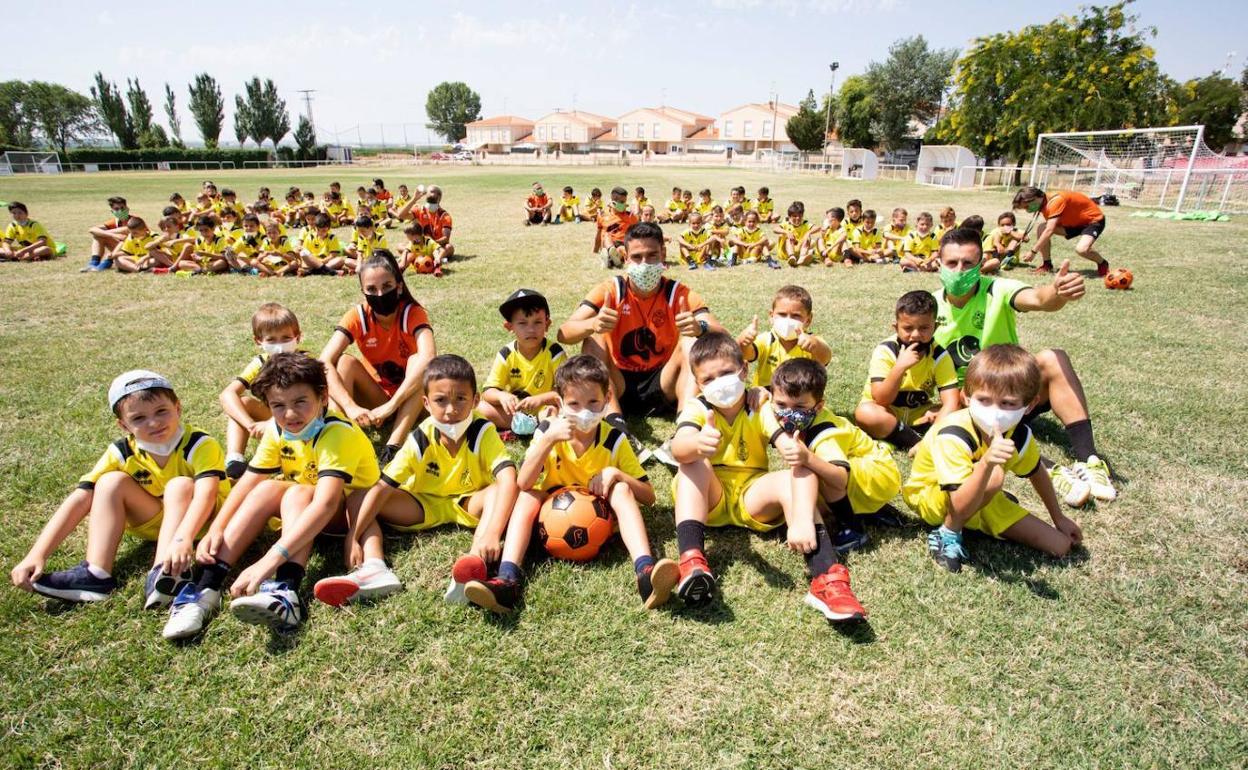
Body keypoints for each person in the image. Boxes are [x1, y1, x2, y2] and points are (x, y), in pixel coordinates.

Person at [668, 332, 867, 622]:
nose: (719, 383)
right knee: (692, 463)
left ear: (744, 370)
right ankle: (692, 561)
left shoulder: (760, 406)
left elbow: (789, 449)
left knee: (797, 468)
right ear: (698, 384)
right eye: (708, 379)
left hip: (752, 495)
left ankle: (828, 579)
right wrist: (697, 444)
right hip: (709, 496)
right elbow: (678, 446)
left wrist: (801, 516)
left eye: (726, 373)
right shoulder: (698, 407)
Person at [180, 354, 380, 638]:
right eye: (278, 406)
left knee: (297, 493)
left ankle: (286, 590)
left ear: (323, 397)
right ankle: (206, 587)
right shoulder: (278, 430)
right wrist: (217, 528)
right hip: (306, 509)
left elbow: (325, 505)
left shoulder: (337, 433)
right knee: (266, 488)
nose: (289, 414)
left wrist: (268, 561)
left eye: (300, 402)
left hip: (348, 515)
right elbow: (247, 483)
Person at [464, 355, 678, 613]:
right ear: (560, 401)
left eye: (593, 402)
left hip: (599, 529)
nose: (584, 411)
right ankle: (507, 580)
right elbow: (523, 482)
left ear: (608, 398)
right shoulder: (548, 430)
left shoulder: (614, 439)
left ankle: (645, 572)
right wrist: (547, 441)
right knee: (528, 496)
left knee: (621, 489)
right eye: (574, 404)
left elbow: (649, 496)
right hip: (549, 526)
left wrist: (617, 474)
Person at [10, 370, 229, 618]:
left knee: (179, 485)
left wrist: (182, 539)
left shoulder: (199, 443)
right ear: (123, 425)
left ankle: (164, 571)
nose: (154, 423)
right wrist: (37, 554)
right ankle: (96, 574)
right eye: (139, 418)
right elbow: (81, 498)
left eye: (161, 411)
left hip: (202, 523)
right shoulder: (122, 451)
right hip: (156, 520)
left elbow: (207, 494)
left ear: (177, 408)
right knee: (109, 482)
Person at [314, 355, 518, 608]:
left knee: (498, 490)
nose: (451, 410)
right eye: (440, 400)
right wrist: (353, 537)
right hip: (422, 505)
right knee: (359, 497)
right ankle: (374, 568)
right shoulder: (421, 437)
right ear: (426, 403)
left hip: (468, 502)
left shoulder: (482, 430)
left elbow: (508, 477)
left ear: (475, 400)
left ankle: (474, 565)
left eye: (461, 399)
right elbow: (383, 486)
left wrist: (493, 533)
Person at [932, 227, 1115, 503]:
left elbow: (1039, 299)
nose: (959, 270)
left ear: (981, 265)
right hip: (970, 404)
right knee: (964, 404)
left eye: (968, 263)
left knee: (1053, 358)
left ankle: (1089, 460)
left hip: (1014, 395)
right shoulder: (930, 306)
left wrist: (1058, 292)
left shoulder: (998, 289)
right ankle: (1050, 470)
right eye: (952, 263)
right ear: (939, 264)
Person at [902, 344, 1084, 573]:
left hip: (979, 494)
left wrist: (1058, 518)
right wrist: (988, 463)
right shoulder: (953, 434)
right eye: (984, 400)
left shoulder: (1019, 434)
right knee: (994, 478)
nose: (995, 412)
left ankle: (983, 506)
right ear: (966, 397)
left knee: (1060, 546)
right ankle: (947, 533)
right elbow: (958, 502)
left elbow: (1036, 471)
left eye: (1008, 403)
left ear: (1030, 405)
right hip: (932, 495)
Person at [558, 222, 724, 422]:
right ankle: (616, 424)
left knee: (691, 341)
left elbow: (723, 335)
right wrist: (591, 324)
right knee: (593, 338)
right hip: (615, 383)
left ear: (663, 254)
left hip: (664, 380)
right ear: (626, 257)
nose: (645, 264)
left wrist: (700, 328)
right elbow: (564, 333)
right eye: (637, 257)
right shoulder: (611, 290)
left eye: (652, 255)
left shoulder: (677, 293)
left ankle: (687, 424)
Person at [770, 358, 902, 553]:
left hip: (879, 475)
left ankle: (852, 529)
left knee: (822, 473)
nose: (788, 413)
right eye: (781, 404)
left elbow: (839, 478)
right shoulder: (805, 419)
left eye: (799, 407)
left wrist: (807, 458)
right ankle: (867, 510)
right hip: (868, 472)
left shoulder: (824, 434)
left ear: (818, 406)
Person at [320, 251, 436, 460]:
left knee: (418, 361)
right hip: (378, 398)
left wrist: (391, 406)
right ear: (363, 292)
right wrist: (350, 406)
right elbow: (324, 361)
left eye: (387, 286)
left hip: (414, 400)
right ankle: (337, 432)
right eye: (372, 289)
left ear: (399, 287)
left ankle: (393, 445)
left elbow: (429, 357)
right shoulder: (358, 316)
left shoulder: (412, 313)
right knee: (344, 362)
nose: (380, 294)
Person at [853, 291, 961, 451]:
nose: (916, 335)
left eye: (924, 328)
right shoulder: (886, 351)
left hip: (919, 415)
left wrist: (939, 415)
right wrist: (900, 367)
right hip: (885, 412)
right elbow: (881, 400)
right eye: (908, 328)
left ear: (935, 327)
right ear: (896, 328)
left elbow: (952, 402)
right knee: (865, 413)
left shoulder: (939, 356)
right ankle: (915, 442)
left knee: (960, 409)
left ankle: (920, 438)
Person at [220, 303, 304, 480]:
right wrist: (250, 425)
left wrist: (273, 424)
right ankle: (234, 459)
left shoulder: (304, 364)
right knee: (242, 403)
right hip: (275, 417)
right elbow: (227, 394)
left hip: (301, 420)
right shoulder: (260, 363)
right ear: (258, 340)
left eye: (286, 338)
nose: (279, 345)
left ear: (298, 336)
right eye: (271, 340)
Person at [479, 289, 567, 435]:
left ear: (547, 324)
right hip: (515, 413)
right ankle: (532, 426)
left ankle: (535, 423)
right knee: (481, 408)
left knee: (560, 410)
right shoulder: (506, 354)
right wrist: (502, 396)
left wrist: (540, 399)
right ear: (510, 327)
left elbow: (567, 390)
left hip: (545, 410)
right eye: (522, 323)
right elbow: (488, 392)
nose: (531, 329)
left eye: (537, 322)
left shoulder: (555, 353)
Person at [737, 285, 831, 388]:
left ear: (808, 320)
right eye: (782, 314)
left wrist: (815, 345)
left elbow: (825, 357)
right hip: (767, 395)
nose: (788, 320)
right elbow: (746, 354)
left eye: (796, 316)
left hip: (800, 396)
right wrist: (743, 342)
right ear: (771, 316)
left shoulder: (811, 342)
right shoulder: (766, 339)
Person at [1013, 186, 1108, 275]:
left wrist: (1033, 252)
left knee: (1082, 249)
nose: (1027, 210)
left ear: (1035, 198)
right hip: (1073, 224)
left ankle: (1102, 263)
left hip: (1092, 221)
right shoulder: (1043, 203)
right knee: (1042, 228)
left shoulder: (1055, 201)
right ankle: (1047, 265)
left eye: (1026, 207)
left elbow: (1049, 230)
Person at [593, 187, 638, 269]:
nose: (624, 204)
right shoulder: (603, 215)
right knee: (606, 236)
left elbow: (637, 235)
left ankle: (611, 259)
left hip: (623, 243)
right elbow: (598, 234)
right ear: (613, 201)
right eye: (621, 202)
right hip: (608, 244)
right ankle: (611, 254)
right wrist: (595, 250)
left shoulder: (631, 216)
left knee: (621, 249)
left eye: (624, 201)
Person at [83, 196, 130, 272]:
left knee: (122, 239)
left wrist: (106, 232)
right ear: (112, 211)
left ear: (127, 208)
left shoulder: (135, 220)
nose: (120, 211)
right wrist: (113, 235)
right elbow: (92, 229)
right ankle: (94, 263)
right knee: (98, 236)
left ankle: (107, 262)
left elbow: (126, 229)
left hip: (134, 250)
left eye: (122, 208)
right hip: (121, 249)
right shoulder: (115, 222)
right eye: (117, 209)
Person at [774, 202, 809, 268]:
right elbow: (775, 229)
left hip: (797, 249)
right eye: (795, 216)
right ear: (789, 216)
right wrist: (786, 232)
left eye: (800, 216)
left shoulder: (805, 223)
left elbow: (817, 228)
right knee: (788, 239)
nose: (797, 218)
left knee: (808, 239)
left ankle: (801, 258)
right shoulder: (786, 222)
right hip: (785, 252)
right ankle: (791, 256)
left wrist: (808, 233)